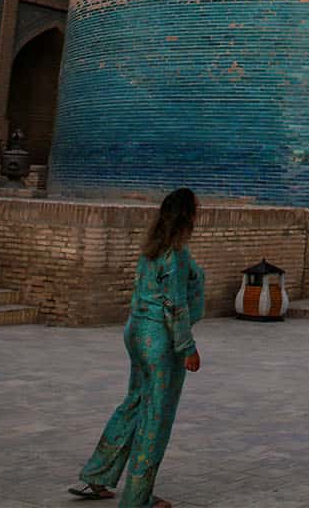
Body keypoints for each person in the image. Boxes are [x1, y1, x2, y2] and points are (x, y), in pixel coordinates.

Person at [69, 188, 205, 506]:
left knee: (135, 403)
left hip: (137, 332)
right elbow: (175, 305)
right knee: (155, 416)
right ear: (188, 216)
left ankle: (97, 475)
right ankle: (137, 497)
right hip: (161, 340)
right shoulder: (176, 254)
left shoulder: (152, 249)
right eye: (196, 209)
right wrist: (188, 347)